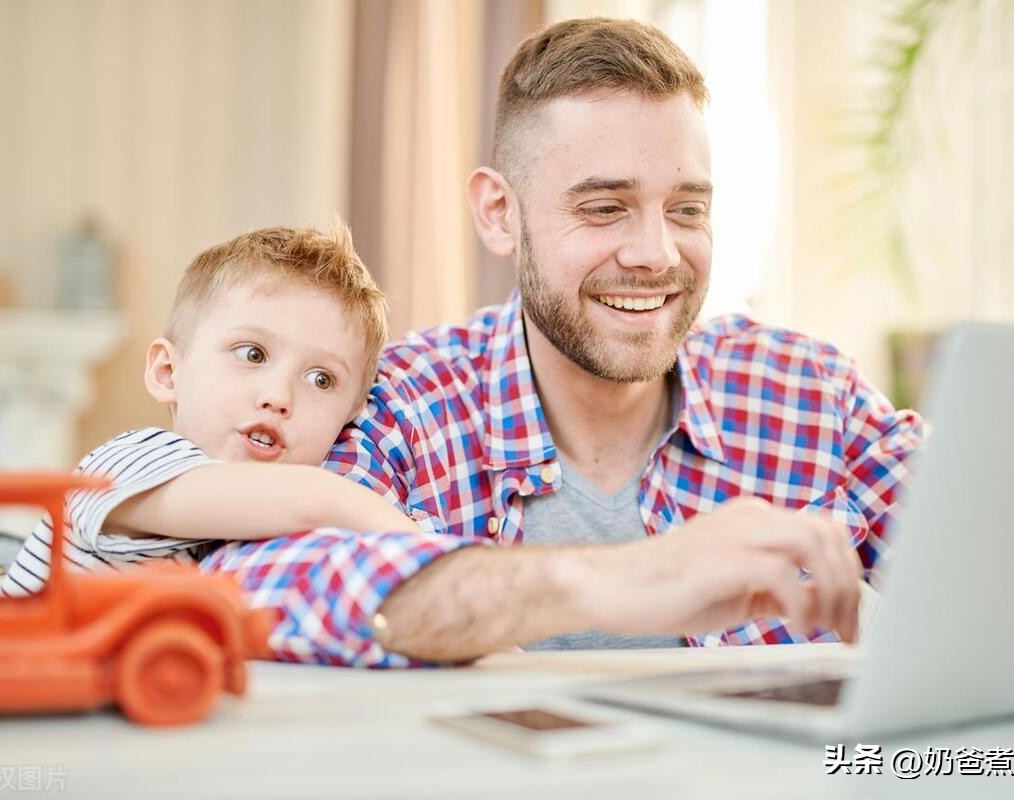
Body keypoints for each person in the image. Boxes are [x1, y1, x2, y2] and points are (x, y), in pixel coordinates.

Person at [201, 18, 925, 667]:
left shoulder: (810, 395)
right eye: (605, 208)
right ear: (498, 213)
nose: (658, 254)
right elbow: (253, 585)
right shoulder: (403, 405)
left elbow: (1002, 561)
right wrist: (632, 578)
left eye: (687, 209)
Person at [2, 224, 418, 596]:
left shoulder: (266, 543)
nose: (278, 396)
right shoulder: (126, 463)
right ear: (168, 372)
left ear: (350, 415)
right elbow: (316, 499)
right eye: (252, 354)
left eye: (321, 380)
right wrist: (424, 551)